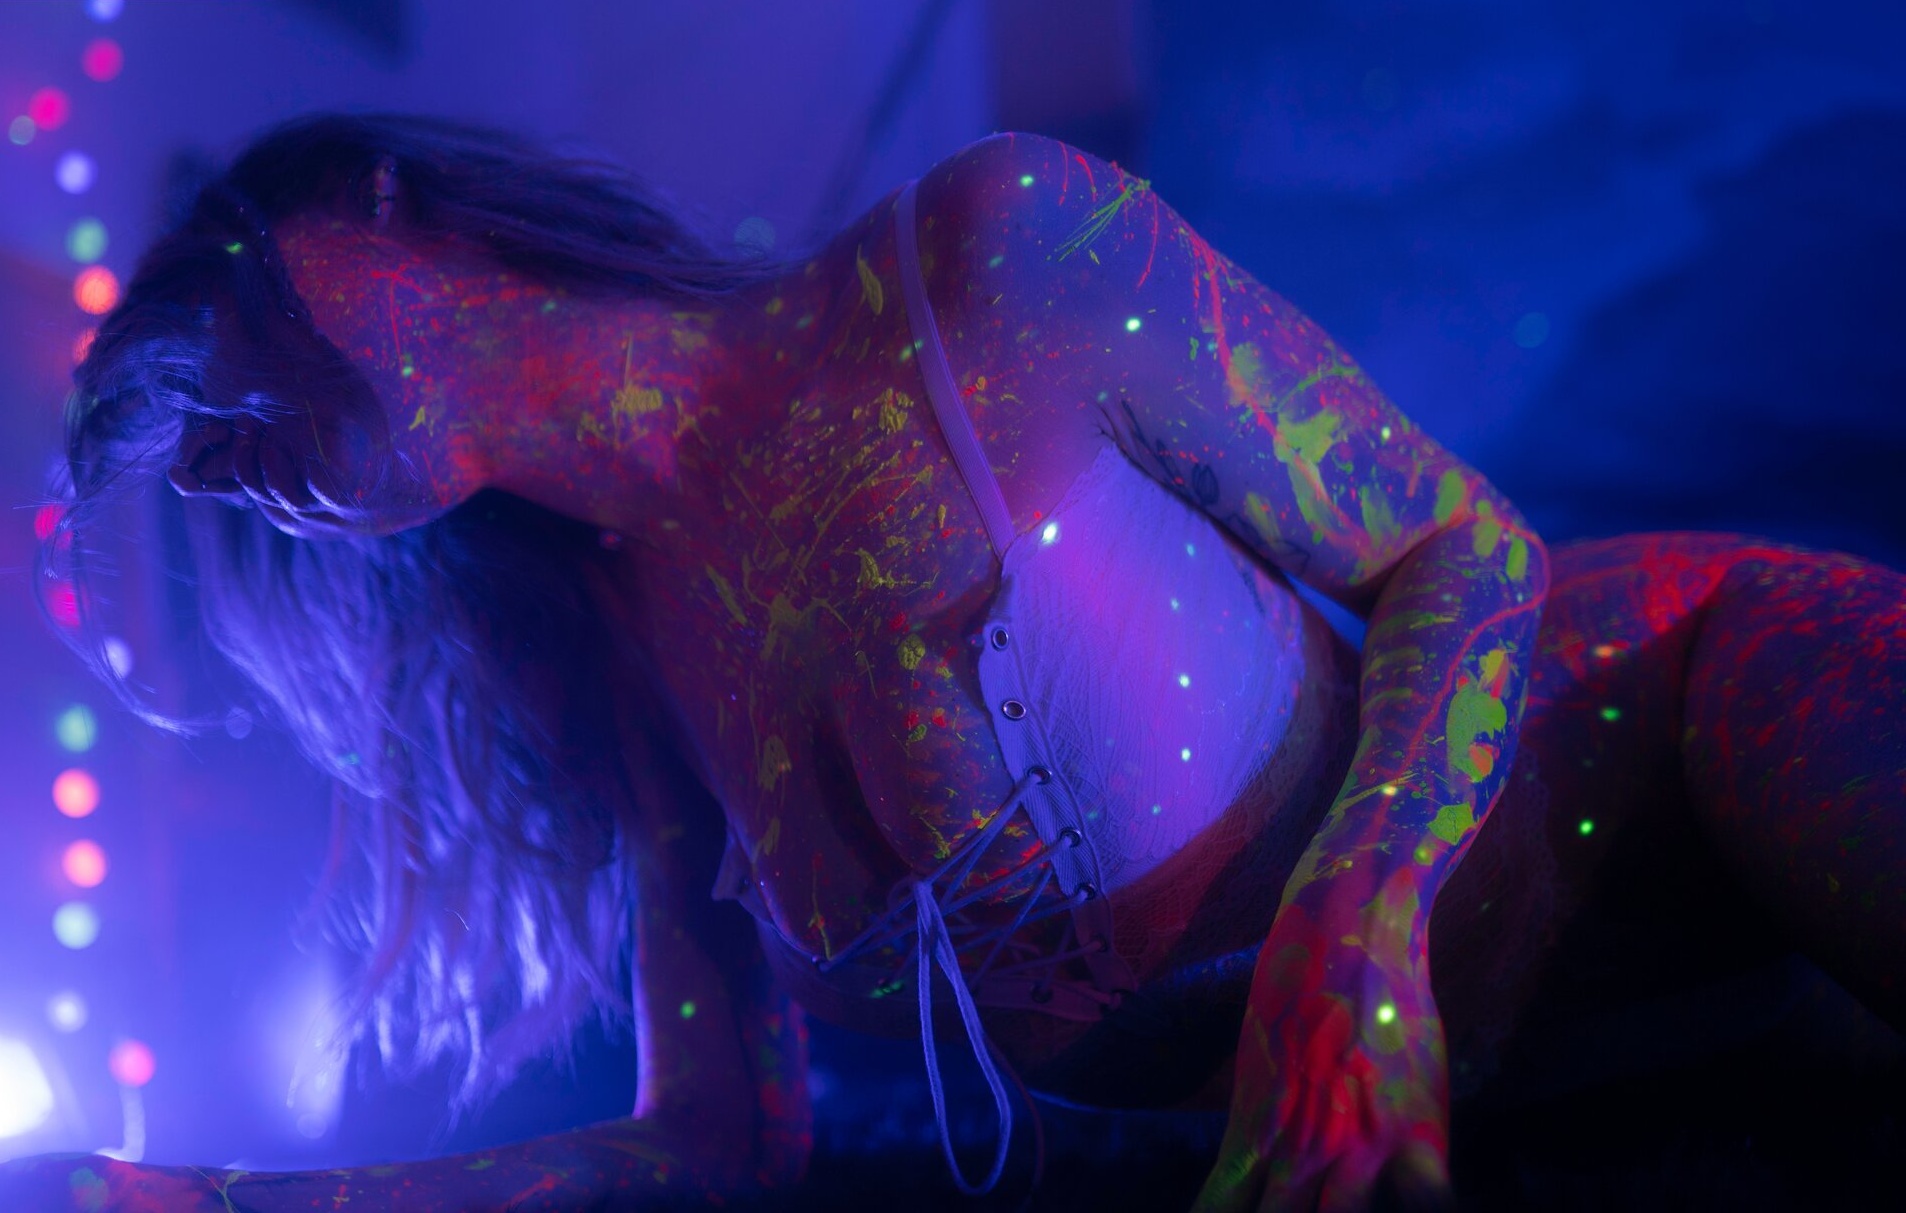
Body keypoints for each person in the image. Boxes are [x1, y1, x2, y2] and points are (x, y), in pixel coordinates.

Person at [12, 112, 1903, 1212]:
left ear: (383, 202)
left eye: (224, 309)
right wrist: (234, 1200)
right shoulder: (618, 656)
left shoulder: (993, 256)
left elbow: (1459, 549)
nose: (219, 446)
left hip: (1675, 708)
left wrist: (1356, 930)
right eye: (197, 453)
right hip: (1545, 1083)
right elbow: (716, 1142)